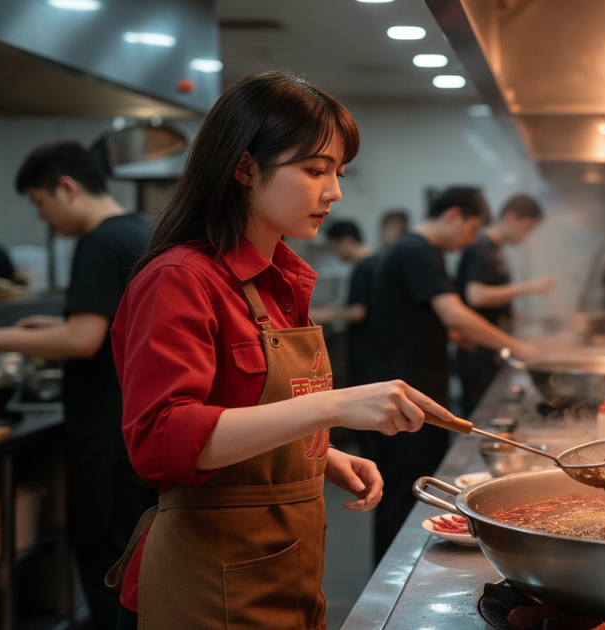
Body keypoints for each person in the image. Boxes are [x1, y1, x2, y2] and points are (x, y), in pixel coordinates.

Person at [104, 70, 452, 630]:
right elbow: (162, 440)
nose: (334, 192)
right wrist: (333, 409)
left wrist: (317, 455)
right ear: (244, 167)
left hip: (284, 566)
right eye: (315, 170)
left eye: (338, 172)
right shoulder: (179, 279)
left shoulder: (281, 280)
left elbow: (244, 413)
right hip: (204, 583)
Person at [0, 141, 157, 630]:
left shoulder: (98, 242)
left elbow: (86, 338)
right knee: (139, 572)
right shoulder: (141, 232)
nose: (43, 217)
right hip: (137, 429)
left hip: (107, 438)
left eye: (40, 203)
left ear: (67, 189)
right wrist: (50, 324)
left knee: (107, 567)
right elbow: (114, 323)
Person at [364, 186, 533, 563]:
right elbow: (453, 312)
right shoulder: (418, 251)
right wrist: (519, 347)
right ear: (453, 215)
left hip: (412, 389)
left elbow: (421, 317)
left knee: (409, 487)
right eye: (472, 229)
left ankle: (398, 566)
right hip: (401, 394)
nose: (470, 240)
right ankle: (390, 580)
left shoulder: (421, 251)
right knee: (401, 494)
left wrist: (452, 334)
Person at [455, 194, 553, 417]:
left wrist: (522, 320)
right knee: (478, 418)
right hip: (476, 353)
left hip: (491, 353)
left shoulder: (495, 251)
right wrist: (531, 286)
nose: (527, 236)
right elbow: (476, 296)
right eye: (526, 228)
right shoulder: (481, 249)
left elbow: (493, 306)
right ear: (510, 217)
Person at [310, 220, 380, 388]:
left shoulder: (364, 268)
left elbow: (357, 312)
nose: (335, 254)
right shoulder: (379, 261)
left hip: (367, 349)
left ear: (346, 241)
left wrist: (323, 315)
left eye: (334, 247)